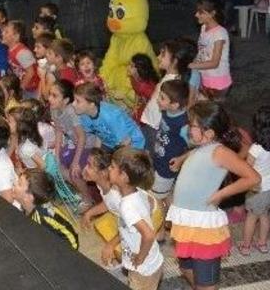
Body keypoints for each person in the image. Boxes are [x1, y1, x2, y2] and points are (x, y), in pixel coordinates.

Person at [167, 101, 260, 290]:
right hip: (187, 223)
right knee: (186, 269)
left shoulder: (220, 152)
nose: (187, 129)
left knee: (206, 284)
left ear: (208, 133)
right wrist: (182, 159)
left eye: (192, 125)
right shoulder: (204, 146)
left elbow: (253, 178)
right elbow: (198, 152)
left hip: (203, 230)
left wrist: (221, 193)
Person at [111, 148, 164, 290]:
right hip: (152, 260)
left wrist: (140, 257)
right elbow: (153, 204)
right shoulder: (139, 192)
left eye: (112, 167)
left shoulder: (127, 206)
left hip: (144, 268)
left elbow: (149, 234)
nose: (109, 170)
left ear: (124, 177)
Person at [240, 106, 270, 256]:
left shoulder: (256, 149)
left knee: (251, 218)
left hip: (258, 190)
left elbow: (246, 169)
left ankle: (246, 246)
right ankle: (262, 243)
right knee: (264, 215)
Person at [11, 169, 79, 249]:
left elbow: (71, 240)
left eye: (19, 184)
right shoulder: (27, 206)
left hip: (68, 247)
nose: (14, 183)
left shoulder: (41, 218)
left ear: (28, 197)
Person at [73, 82, 145, 150]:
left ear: (91, 104)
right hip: (113, 145)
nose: (73, 104)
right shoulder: (84, 116)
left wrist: (114, 159)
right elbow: (99, 133)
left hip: (133, 144)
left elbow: (126, 142)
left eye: (78, 101)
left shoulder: (111, 115)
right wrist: (96, 153)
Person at [189, 0, 232, 100]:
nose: (196, 15)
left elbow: (214, 63)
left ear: (212, 13)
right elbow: (202, 51)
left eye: (201, 12)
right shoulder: (204, 27)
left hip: (217, 82)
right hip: (205, 77)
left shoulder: (219, 34)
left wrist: (191, 65)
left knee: (208, 111)